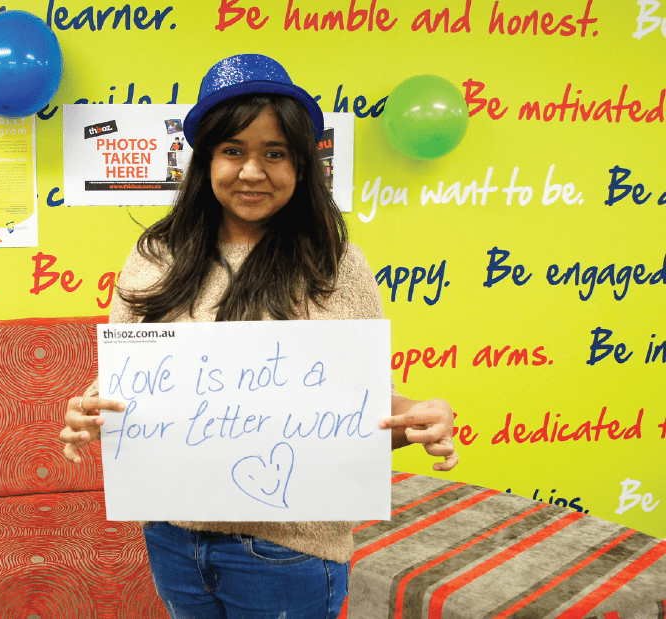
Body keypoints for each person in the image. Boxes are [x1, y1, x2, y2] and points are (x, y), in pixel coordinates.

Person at [59, 54, 458, 619]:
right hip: (173, 536)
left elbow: (357, 410)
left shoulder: (335, 264)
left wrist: (414, 413)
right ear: (206, 160)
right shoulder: (156, 254)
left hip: (290, 549)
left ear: (302, 164)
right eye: (233, 151)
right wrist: (90, 410)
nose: (252, 171)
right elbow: (124, 379)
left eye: (275, 153)